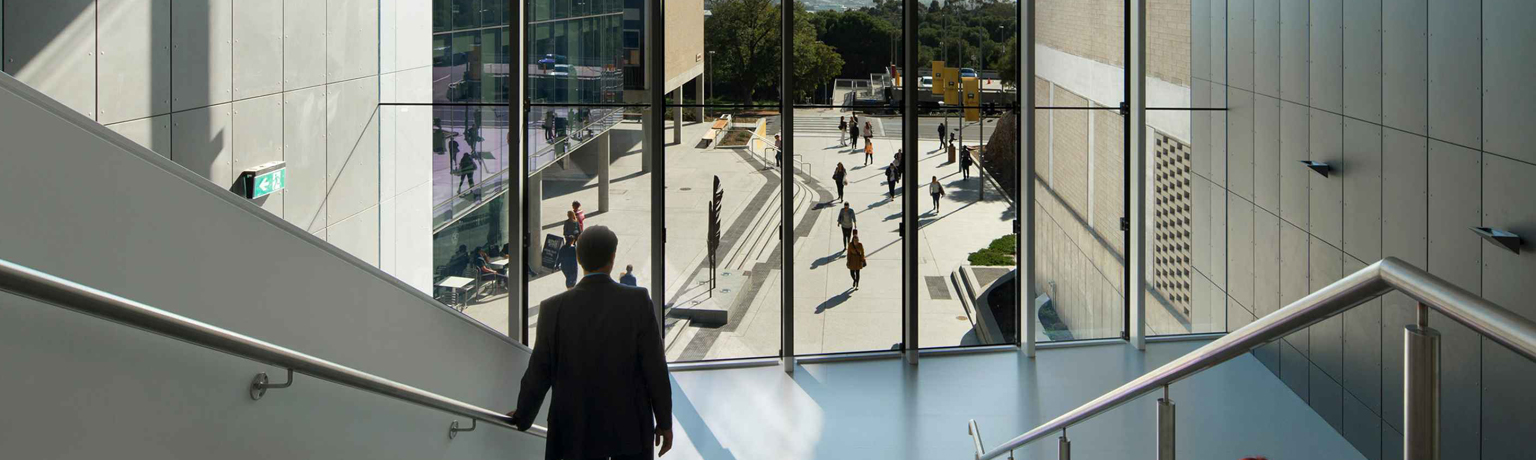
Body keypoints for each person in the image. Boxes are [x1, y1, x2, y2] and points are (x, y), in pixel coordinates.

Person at [509, 226, 673, 460]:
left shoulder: (552, 308)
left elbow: (538, 372)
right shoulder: (637, 302)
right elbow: (655, 367)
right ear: (612, 258)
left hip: (574, 435)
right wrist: (664, 422)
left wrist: (523, 416)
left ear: (578, 258)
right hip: (628, 433)